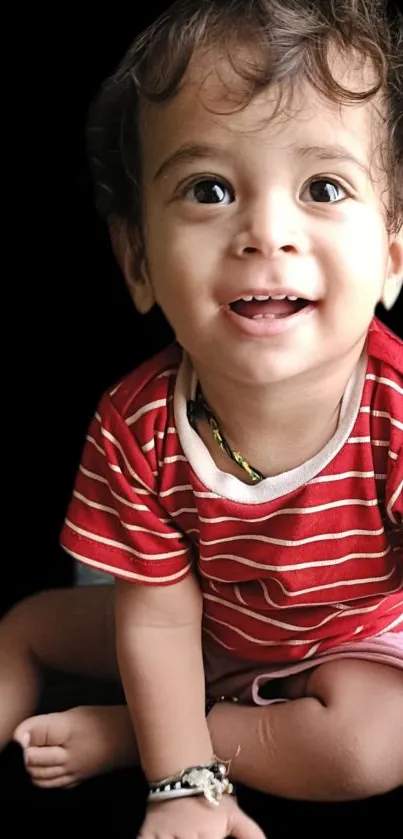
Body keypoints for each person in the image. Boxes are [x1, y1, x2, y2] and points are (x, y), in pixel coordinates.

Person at [1, 0, 402, 835]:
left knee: (372, 745)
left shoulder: (394, 413)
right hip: (200, 628)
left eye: (322, 188)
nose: (266, 232)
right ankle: (167, 734)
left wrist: (176, 758)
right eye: (208, 189)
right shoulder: (135, 425)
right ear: (138, 262)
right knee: (32, 626)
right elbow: (157, 614)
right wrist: (179, 790)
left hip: (350, 637)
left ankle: (139, 736)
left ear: (391, 254)